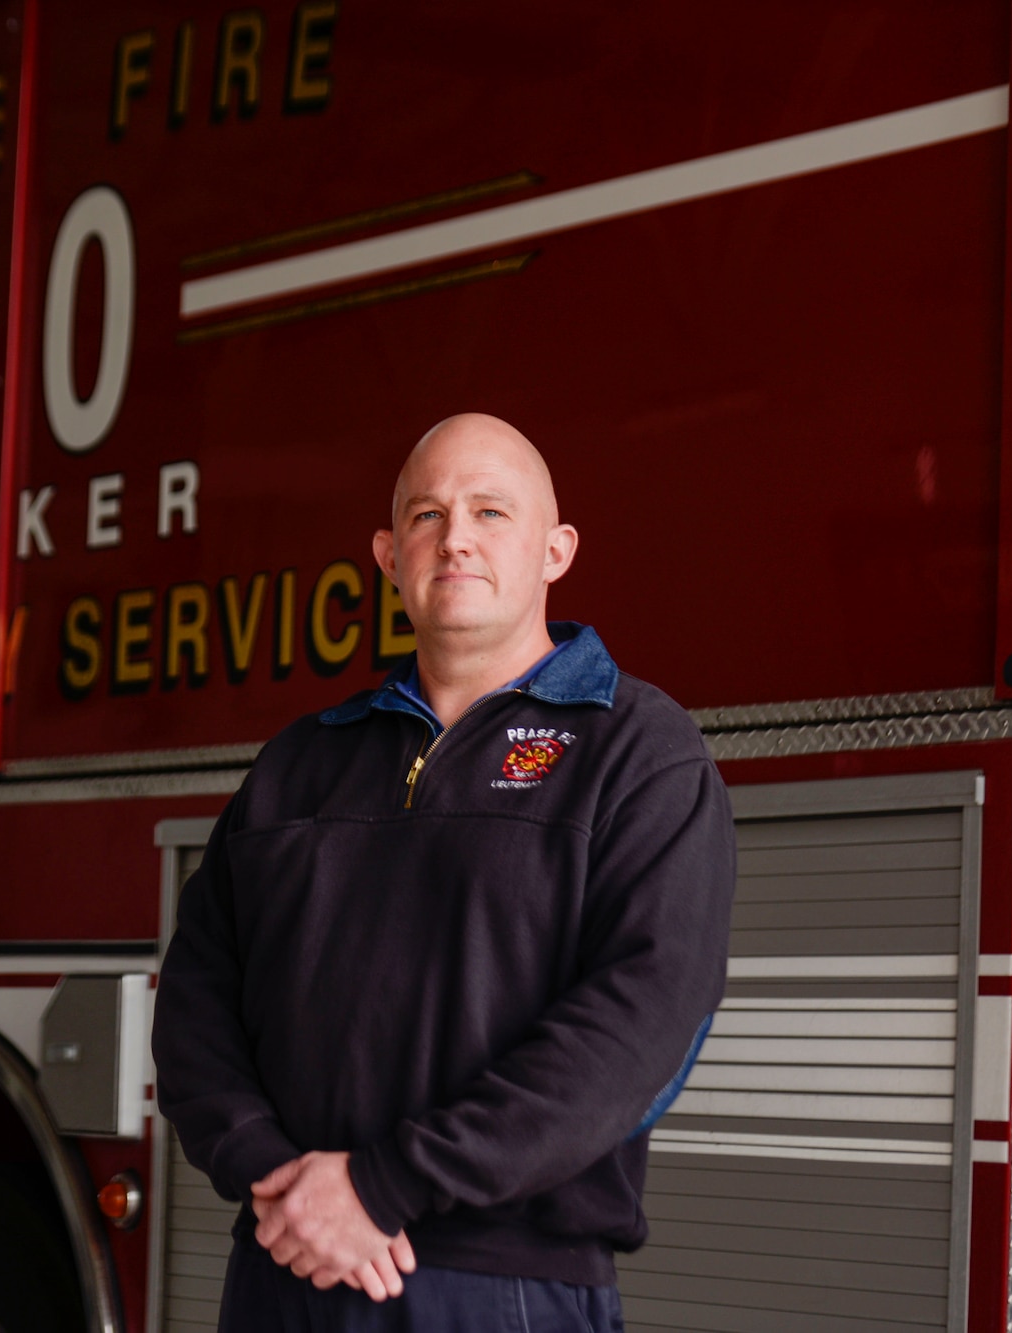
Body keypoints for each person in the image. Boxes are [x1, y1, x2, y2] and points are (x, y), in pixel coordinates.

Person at [152, 414, 734, 1331]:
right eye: (426, 515)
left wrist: (386, 1185)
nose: (454, 536)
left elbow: (639, 1022)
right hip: (284, 1261)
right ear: (388, 555)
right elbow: (195, 996)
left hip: (503, 1286)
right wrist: (271, 1171)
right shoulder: (299, 765)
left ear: (557, 549)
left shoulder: (638, 753)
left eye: (490, 511)